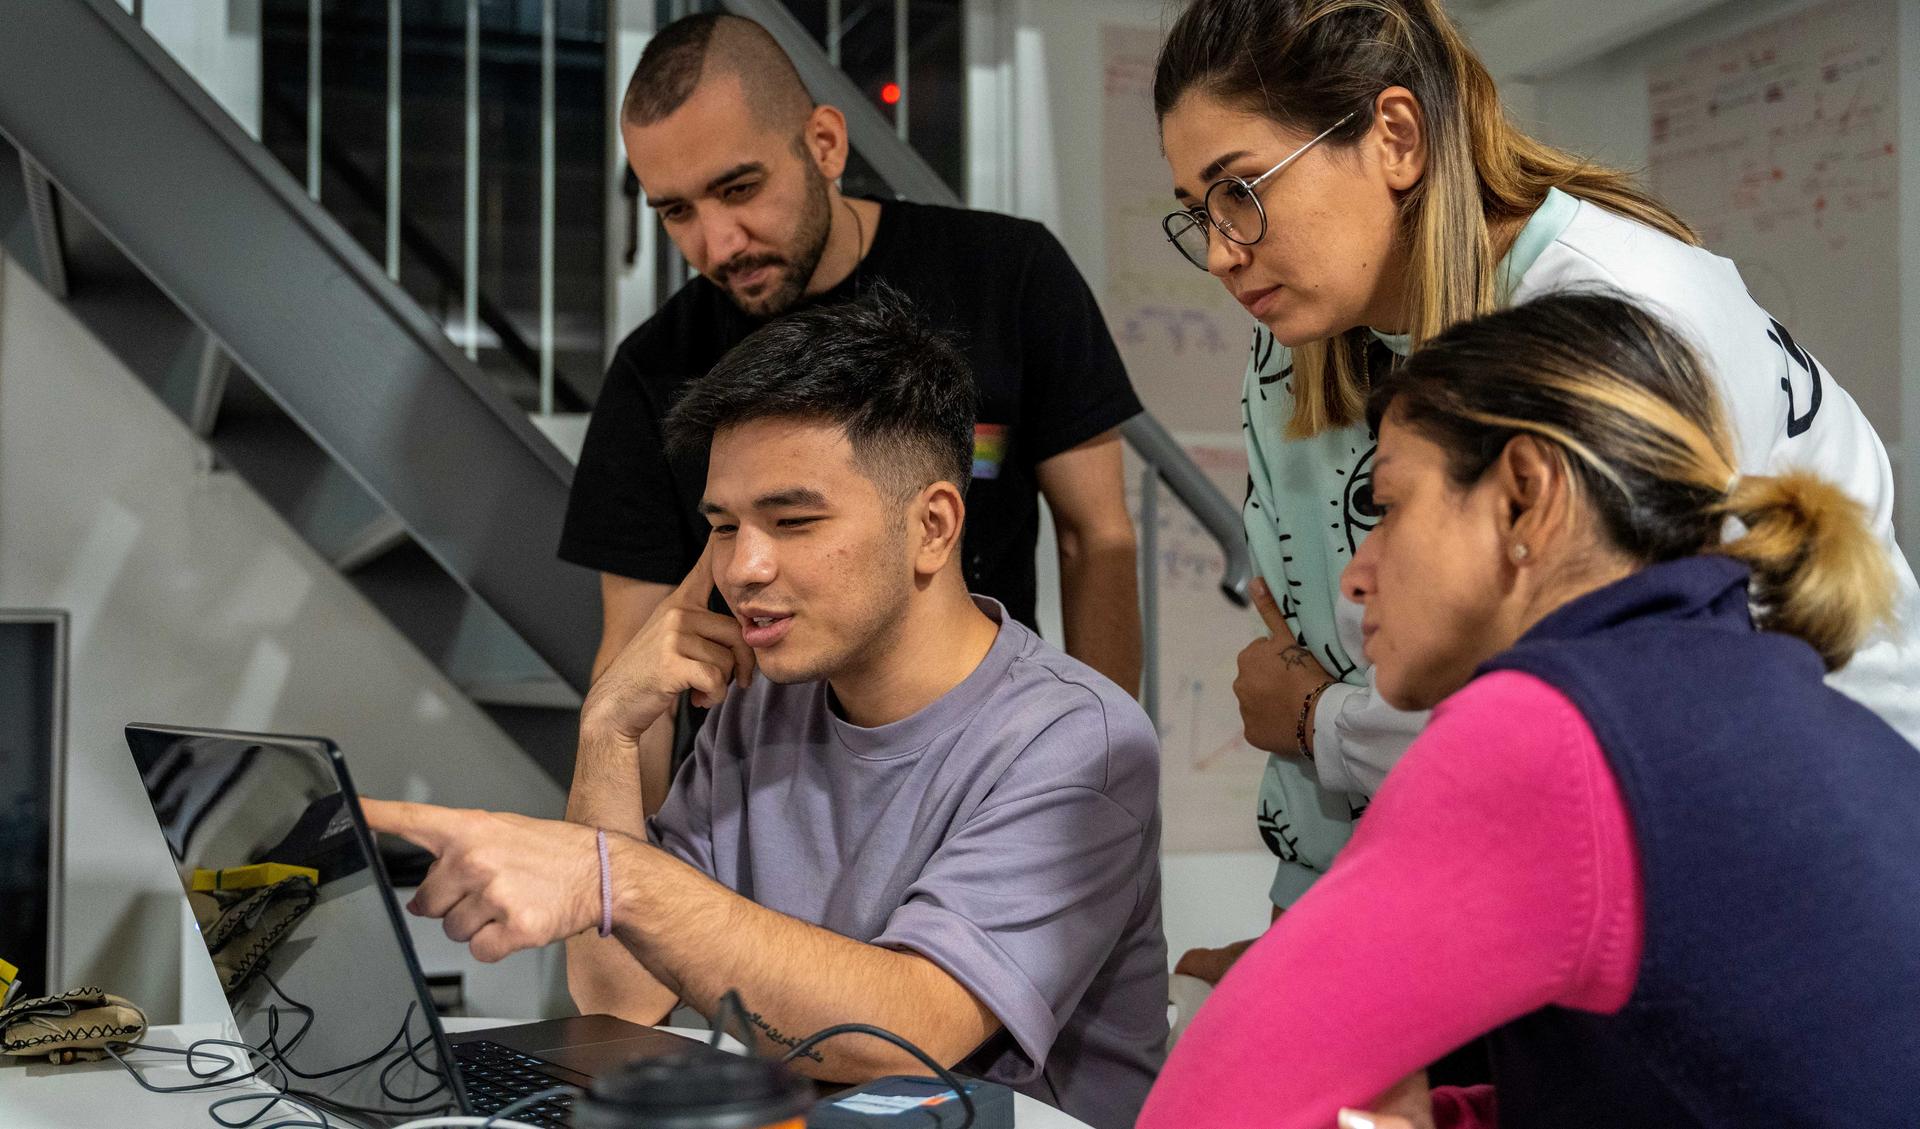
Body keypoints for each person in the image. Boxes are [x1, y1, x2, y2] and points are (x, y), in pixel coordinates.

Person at [1151, 0, 1920, 977]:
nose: (1221, 250)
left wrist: (1321, 727)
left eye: (1241, 190)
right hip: (1498, 884)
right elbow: (1340, 658)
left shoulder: (1613, 319)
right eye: (1196, 212)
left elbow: (1595, 724)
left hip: (1778, 876)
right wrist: (1305, 938)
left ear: (1395, 137)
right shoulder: (1303, 329)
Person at [371, 290, 1169, 1129]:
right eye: (722, 526)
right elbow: (619, 993)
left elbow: (909, 1029)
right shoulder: (767, 704)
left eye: (791, 520)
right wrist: (609, 727)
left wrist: (615, 879)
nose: (743, 566)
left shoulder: (1081, 741)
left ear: (933, 525)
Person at [1139, 292, 1920, 1128]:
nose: (1356, 574)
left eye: (1388, 505)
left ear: (1522, 495)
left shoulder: (1551, 730)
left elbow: (1207, 1108)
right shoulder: (1779, 705)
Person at [562, 12, 1145, 816]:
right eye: (676, 212)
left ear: (826, 145)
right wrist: (620, 876)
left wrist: (1102, 783)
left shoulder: (1008, 276)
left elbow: (1098, 539)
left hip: (983, 767)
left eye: (739, 189)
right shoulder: (653, 367)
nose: (718, 241)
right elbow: (638, 650)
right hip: (756, 799)